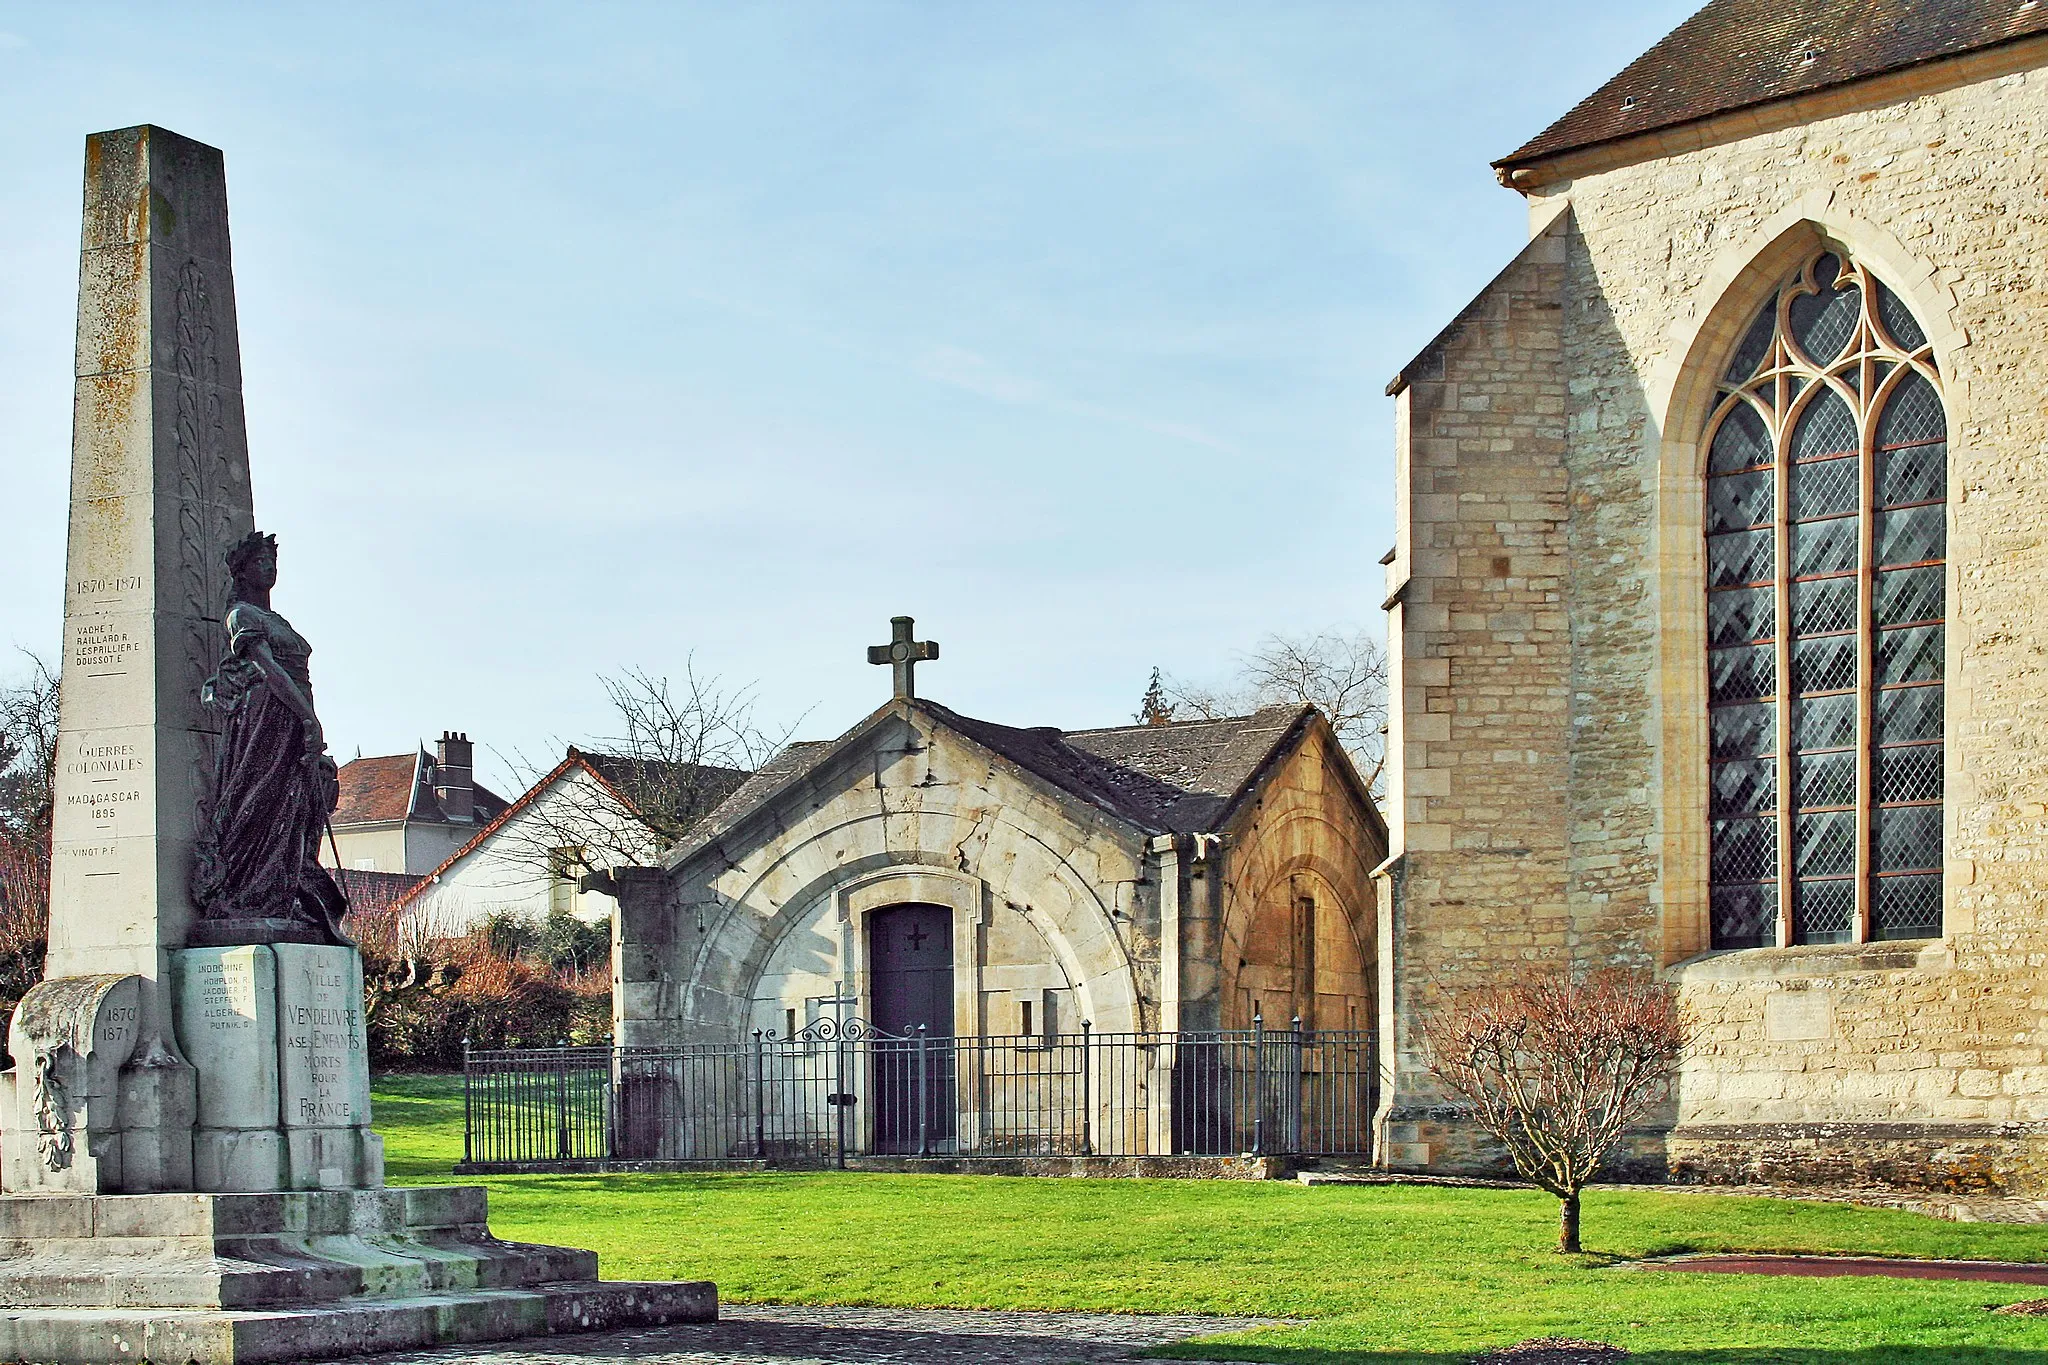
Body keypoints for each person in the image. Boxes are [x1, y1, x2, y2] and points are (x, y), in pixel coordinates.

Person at [190, 531, 351, 944]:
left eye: (273, 561)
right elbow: (268, 669)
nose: (270, 568)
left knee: (295, 806)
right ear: (242, 570)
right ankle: (247, 890)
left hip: (294, 713)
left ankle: (281, 892)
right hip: (269, 716)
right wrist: (306, 717)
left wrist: (308, 719)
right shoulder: (242, 616)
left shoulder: (277, 620)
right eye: (261, 561)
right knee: (261, 798)